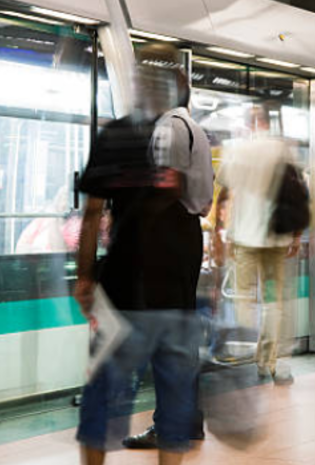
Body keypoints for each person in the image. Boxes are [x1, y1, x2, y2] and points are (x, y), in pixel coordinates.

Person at [74, 44, 212, 465]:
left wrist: (84, 275)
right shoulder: (191, 131)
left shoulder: (116, 134)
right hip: (176, 285)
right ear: (178, 85)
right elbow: (199, 204)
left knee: (101, 397)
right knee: (173, 396)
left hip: (123, 285)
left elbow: (92, 213)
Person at [122, 67, 214, 451]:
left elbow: (168, 184)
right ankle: (187, 420)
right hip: (184, 230)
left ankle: (170, 425)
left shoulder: (170, 127)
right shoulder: (192, 127)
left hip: (168, 231)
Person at [215, 103, 301, 383]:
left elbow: (223, 186)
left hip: (245, 238)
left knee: (243, 295)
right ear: (266, 122)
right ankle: (267, 361)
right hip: (276, 238)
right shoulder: (281, 149)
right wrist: (296, 235)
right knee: (273, 301)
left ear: (248, 124)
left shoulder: (238, 149)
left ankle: (243, 352)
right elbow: (298, 193)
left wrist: (220, 231)